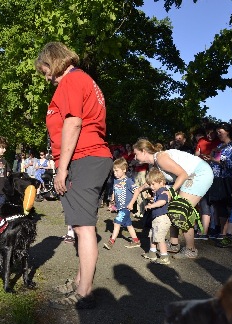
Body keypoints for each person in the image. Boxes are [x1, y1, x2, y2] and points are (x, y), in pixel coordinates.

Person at [35, 41, 113, 309]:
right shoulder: (83, 80)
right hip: (91, 156)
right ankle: (81, 280)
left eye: (44, 69)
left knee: (83, 227)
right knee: (81, 225)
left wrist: (62, 167)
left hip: (84, 157)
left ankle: (84, 292)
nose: (46, 77)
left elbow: (73, 122)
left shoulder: (71, 81)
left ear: (53, 61)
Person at [133, 139, 213, 259]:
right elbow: (156, 181)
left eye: (136, 153)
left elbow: (183, 174)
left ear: (144, 151)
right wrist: (140, 189)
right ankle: (174, 243)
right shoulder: (154, 163)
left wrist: (171, 191)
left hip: (199, 174)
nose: (134, 157)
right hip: (190, 175)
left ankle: (190, 250)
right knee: (172, 209)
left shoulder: (160, 158)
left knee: (180, 211)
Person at [202, 123, 232, 238]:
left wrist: (214, 159)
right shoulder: (220, 146)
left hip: (226, 179)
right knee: (217, 204)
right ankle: (217, 229)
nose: (218, 134)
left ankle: (224, 232)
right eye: (217, 133)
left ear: (227, 131)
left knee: (224, 205)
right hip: (216, 177)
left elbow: (231, 164)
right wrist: (211, 157)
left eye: (220, 132)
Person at [103, 158, 141, 250]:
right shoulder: (116, 180)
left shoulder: (128, 181)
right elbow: (114, 191)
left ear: (124, 170)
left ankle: (111, 241)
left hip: (126, 207)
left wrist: (131, 203)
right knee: (129, 225)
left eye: (117, 171)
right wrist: (112, 202)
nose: (115, 173)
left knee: (116, 222)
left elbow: (136, 191)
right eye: (114, 171)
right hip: (119, 207)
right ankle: (136, 241)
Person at [139, 168, 171, 265]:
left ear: (161, 182)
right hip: (157, 218)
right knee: (152, 235)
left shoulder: (162, 190)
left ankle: (164, 256)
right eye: (150, 184)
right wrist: (154, 201)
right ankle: (152, 253)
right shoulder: (157, 191)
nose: (151, 187)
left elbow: (163, 201)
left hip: (162, 218)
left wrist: (151, 205)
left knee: (160, 238)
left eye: (153, 184)